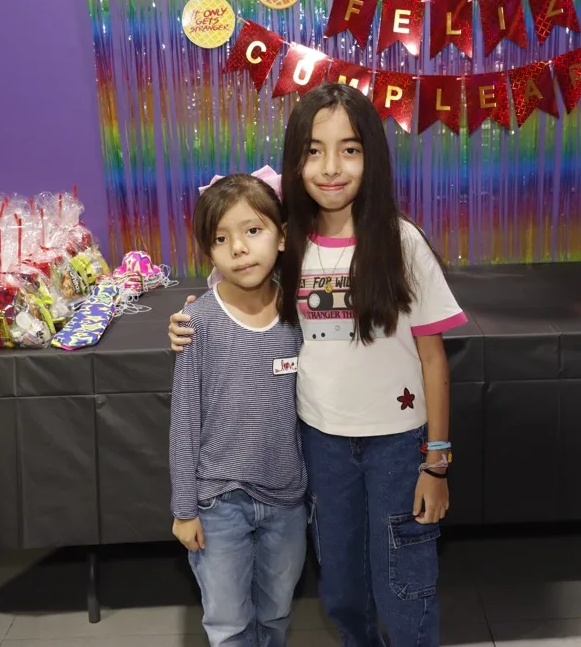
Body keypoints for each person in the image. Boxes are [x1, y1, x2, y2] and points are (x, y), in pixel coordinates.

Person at [170, 83, 467, 647]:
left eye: (349, 149)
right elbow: (239, 272)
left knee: (404, 582)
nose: (331, 167)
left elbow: (434, 358)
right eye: (313, 151)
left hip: (399, 444)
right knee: (342, 585)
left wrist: (436, 462)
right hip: (320, 445)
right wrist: (191, 314)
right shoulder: (291, 244)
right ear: (295, 161)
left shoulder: (401, 243)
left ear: (372, 157)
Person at [169, 173, 307, 647]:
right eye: (221, 239)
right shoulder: (198, 323)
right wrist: (184, 509)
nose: (240, 249)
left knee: (277, 611)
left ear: (282, 236)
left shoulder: (299, 315)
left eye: (252, 230)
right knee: (228, 622)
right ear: (208, 252)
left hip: (287, 499)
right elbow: (184, 422)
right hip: (219, 503)